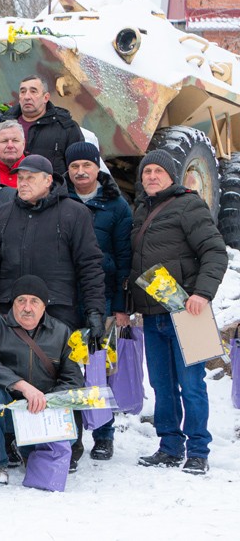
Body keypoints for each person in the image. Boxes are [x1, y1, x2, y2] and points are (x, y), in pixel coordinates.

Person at [128, 149, 227, 475]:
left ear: (172, 176)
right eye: (147, 171)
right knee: (162, 384)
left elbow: (214, 252)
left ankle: (198, 451)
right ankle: (170, 447)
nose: (152, 176)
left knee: (192, 384)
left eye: (158, 171)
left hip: (187, 310)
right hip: (154, 311)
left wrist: (202, 293)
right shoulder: (142, 208)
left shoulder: (189, 204)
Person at [0, 155, 105, 333]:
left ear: (48, 180)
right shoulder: (2, 215)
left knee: (53, 361)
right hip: (9, 310)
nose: (23, 183)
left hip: (57, 311)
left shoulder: (75, 213)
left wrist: (94, 312)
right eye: (20, 178)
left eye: (30, 177)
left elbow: (89, 266)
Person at [0, 276, 84, 486]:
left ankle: (30, 450)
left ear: (44, 305)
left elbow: (73, 378)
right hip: (7, 407)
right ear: (12, 303)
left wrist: (48, 399)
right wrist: (21, 386)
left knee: (68, 439)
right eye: (21, 301)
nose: (27, 308)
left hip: (41, 410)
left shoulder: (62, 332)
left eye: (34, 301)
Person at [66, 141, 133, 461]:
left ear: (97, 168)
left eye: (87, 166)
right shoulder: (60, 199)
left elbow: (124, 259)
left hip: (103, 300)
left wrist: (120, 307)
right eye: (74, 166)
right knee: (69, 368)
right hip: (67, 297)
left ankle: (104, 434)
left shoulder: (117, 206)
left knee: (101, 367)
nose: (80, 172)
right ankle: (71, 430)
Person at [4, 76, 84, 174]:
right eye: (23, 92)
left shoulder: (65, 127)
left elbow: (78, 167)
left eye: (33, 91)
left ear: (46, 97)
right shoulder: (4, 124)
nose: (27, 97)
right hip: (10, 186)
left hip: (51, 187)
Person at [0, 120, 26, 188]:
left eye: (15, 141)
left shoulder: (36, 171)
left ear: (23, 144)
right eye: (4, 141)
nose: (10, 145)